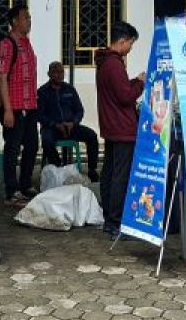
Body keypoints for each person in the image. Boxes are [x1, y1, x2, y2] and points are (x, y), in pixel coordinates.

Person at [95, 21, 144, 236]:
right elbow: (125, 96)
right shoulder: (113, 64)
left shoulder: (105, 62)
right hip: (122, 127)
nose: (131, 48)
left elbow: (120, 90)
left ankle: (110, 218)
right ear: (122, 41)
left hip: (112, 125)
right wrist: (141, 83)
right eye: (131, 43)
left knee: (110, 172)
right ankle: (115, 221)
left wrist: (133, 80)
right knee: (120, 176)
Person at [0, 6, 40, 205]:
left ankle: (25, 185)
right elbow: (2, 77)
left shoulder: (27, 44)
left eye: (29, 17)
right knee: (12, 148)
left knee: (32, 145)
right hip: (13, 107)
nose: (29, 21)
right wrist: (8, 109)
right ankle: (11, 192)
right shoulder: (7, 44)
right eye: (25, 18)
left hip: (30, 106)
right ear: (14, 21)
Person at [37, 61, 100, 181]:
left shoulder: (70, 89)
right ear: (49, 74)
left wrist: (73, 122)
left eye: (61, 72)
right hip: (52, 128)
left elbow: (79, 110)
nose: (59, 75)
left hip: (71, 127)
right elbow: (39, 115)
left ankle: (92, 169)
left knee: (92, 136)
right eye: (55, 72)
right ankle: (58, 167)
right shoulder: (42, 92)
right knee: (47, 141)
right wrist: (54, 124)